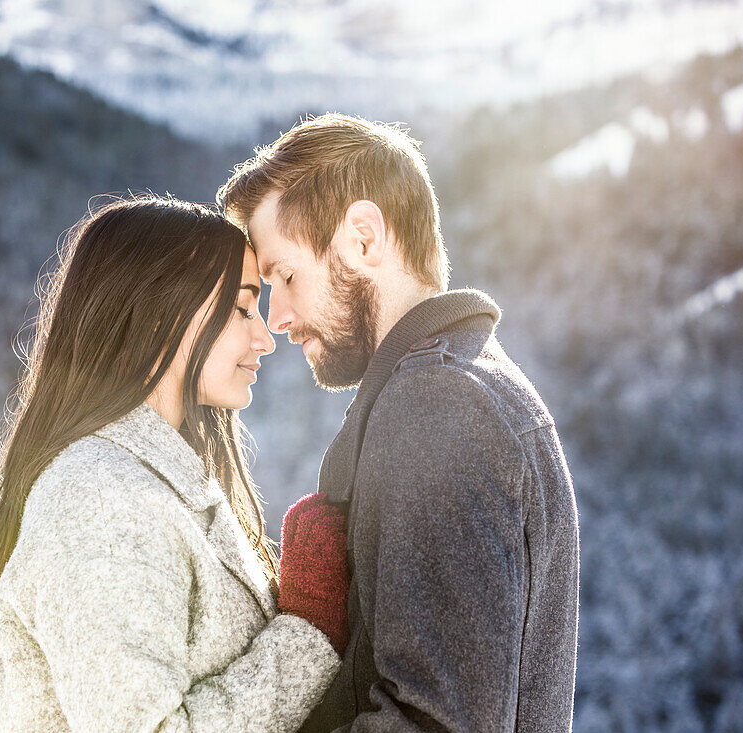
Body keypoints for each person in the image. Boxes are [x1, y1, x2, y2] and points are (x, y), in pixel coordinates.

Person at [0, 195, 351, 732]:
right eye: (242, 306)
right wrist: (306, 629)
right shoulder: (99, 499)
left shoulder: (157, 484)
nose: (264, 336)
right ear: (160, 313)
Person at [218, 114, 580, 732]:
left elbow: (432, 722)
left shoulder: (438, 409)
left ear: (364, 238)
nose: (276, 317)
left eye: (285, 275)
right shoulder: (464, 387)